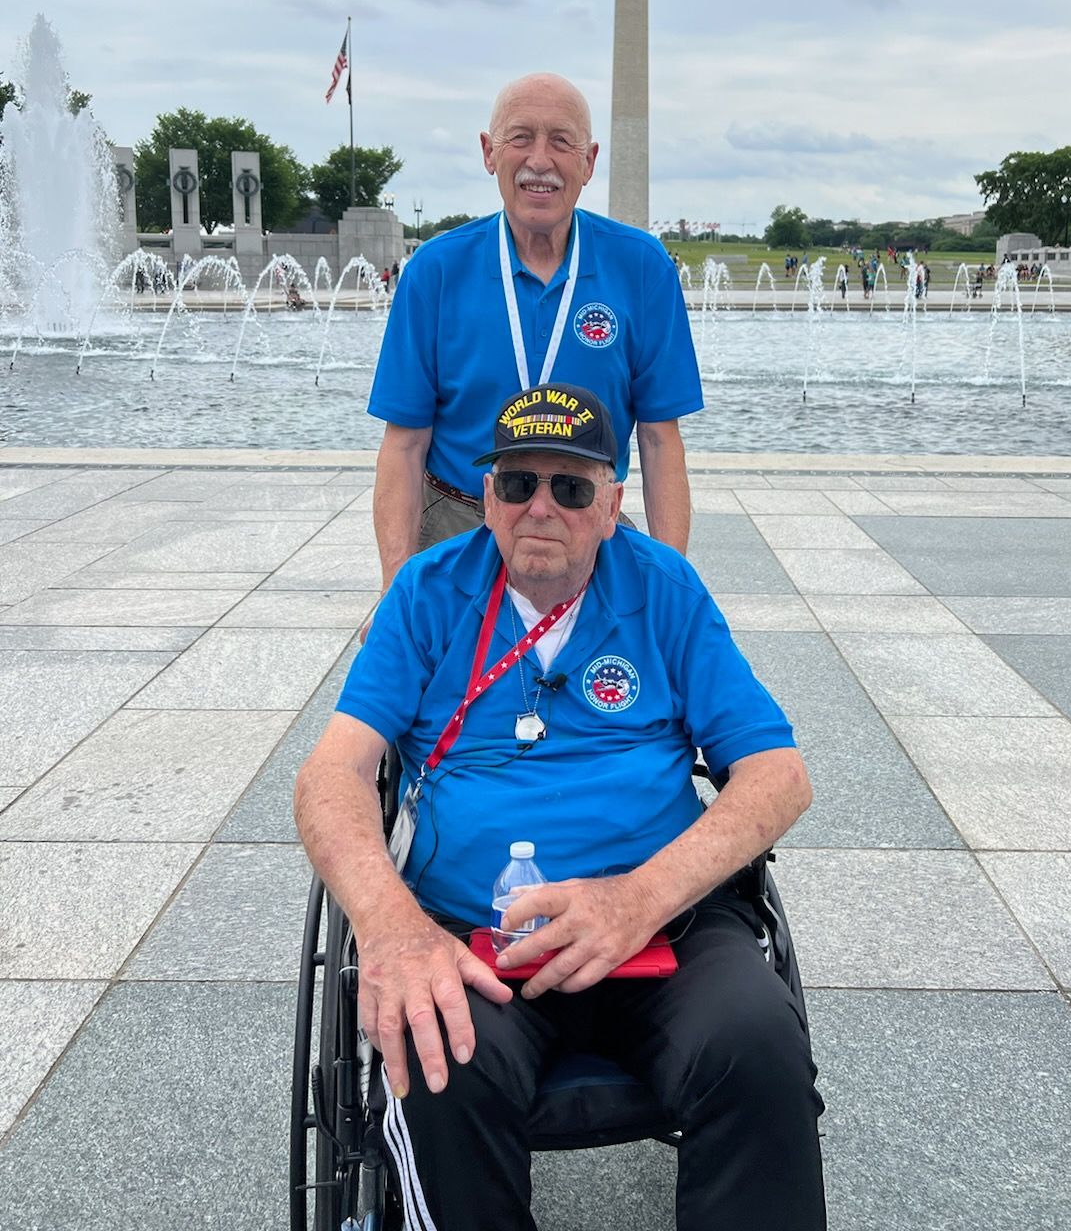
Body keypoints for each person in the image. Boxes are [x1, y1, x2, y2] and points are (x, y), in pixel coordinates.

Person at [294, 382, 826, 1231]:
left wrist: (636, 900)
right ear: (488, 498)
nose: (540, 507)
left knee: (758, 1044)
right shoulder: (426, 593)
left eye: (571, 488)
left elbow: (778, 774)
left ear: (611, 506)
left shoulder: (665, 589)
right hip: (472, 932)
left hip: (664, 925)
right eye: (517, 483)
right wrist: (392, 928)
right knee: (434, 1056)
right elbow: (331, 776)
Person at [367, 73, 702, 593]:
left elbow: (660, 441)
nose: (540, 160)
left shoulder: (641, 266)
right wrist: (395, 590)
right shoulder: (435, 270)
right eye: (520, 137)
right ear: (489, 152)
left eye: (561, 141)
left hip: (583, 517)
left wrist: (672, 592)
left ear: (589, 161)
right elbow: (405, 445)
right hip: (459, 517)